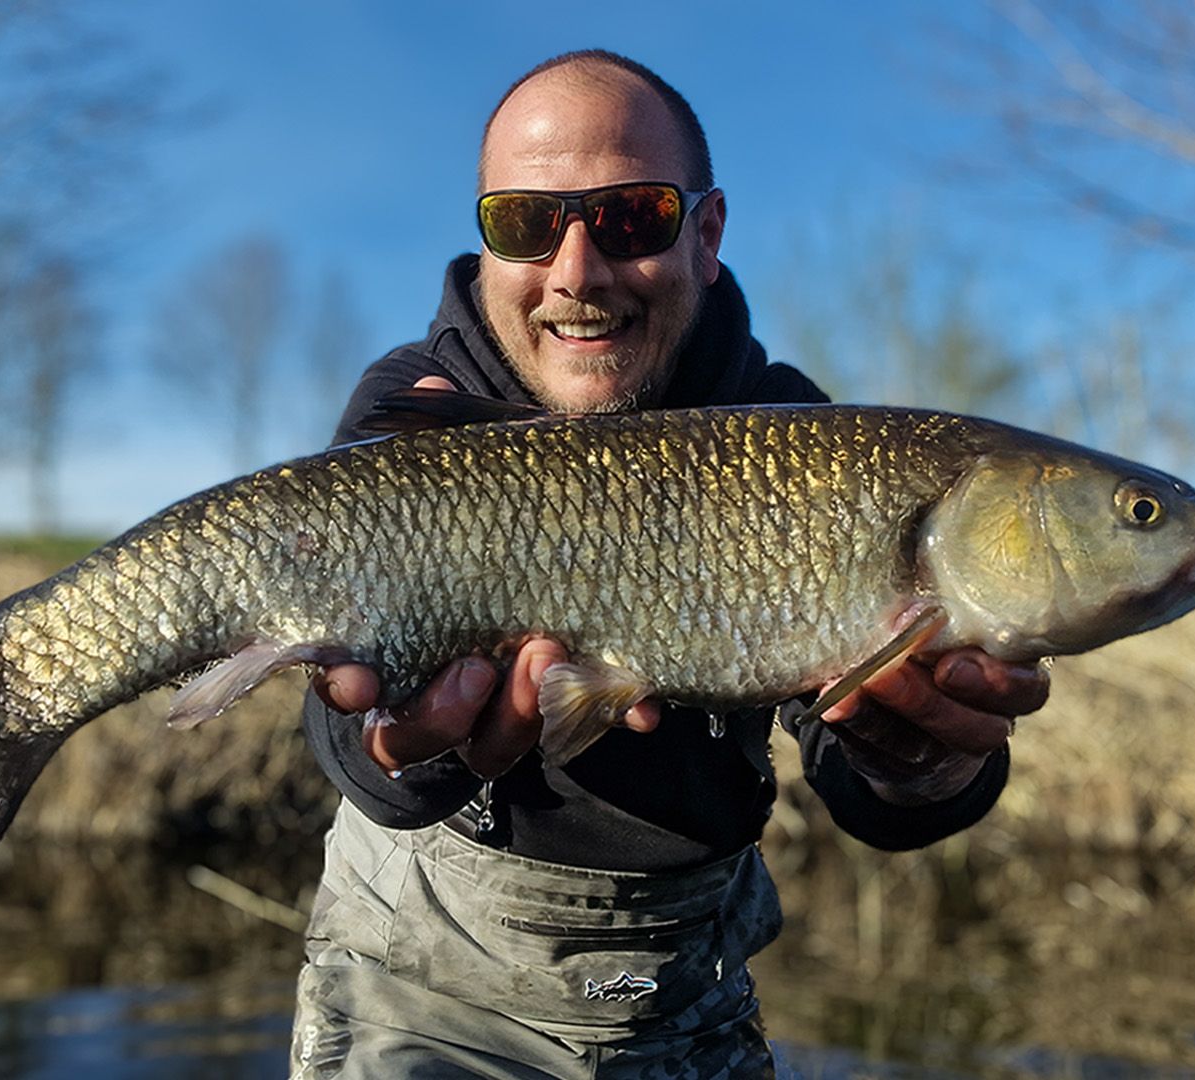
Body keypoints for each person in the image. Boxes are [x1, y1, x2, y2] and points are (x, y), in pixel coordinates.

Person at [288, 50, 1052, 1079]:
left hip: (688, 983)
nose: (575, 272)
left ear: (707, 232)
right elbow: (339, 719)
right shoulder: (416, 408)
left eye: (631, 216)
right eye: (524, 222)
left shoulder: (803, 438)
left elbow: (856, 772)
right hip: (420, 993)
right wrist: (404, 749)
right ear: (484, 242)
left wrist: (927, 764)